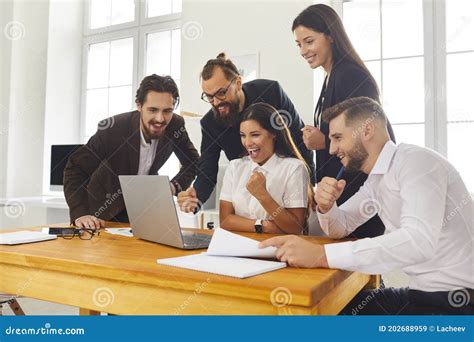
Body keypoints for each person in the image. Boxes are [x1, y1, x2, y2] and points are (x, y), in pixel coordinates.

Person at [260, 97, 474, 315]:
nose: (332, 149)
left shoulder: (416, 162)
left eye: (337, 137)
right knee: (328, 308)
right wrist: (327, 207)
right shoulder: (377, 180)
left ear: (367, 130)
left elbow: (418, 241)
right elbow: (341, 226)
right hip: (422, 295)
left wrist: (320, 254)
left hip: (457, 304)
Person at [292, 4, 396, 238]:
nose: (303, 51)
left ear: (330, 35)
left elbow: (370, 132)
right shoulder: (331, 77)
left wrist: (323, 140)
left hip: (358, 193)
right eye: (299, 44)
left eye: (309, 41)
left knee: (358, 267)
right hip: (342, 193)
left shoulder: (348, 74)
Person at [177, 53, 315, 213]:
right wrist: (195, 197)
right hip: (249, 191)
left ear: (238, 82)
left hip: (286, 183)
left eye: (221, 93)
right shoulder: (210, 123)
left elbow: (299, 139)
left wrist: (311, 184)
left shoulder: (270, 92)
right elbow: (207, 171)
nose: (216, 103)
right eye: (209, 97)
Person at [64, 74, 199, 229]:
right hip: (103, 212)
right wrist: (81, 213)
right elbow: (75, 168)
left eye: (167, 111)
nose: (160, 119)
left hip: (144, 211)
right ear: (139, 106)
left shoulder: (175, 125)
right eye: (153, 110)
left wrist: (173, 186)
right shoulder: (112, 129)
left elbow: (193, 162)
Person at [220, 102, 312, 234]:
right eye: (243, 135)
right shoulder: (235, 167)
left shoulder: (294, 168)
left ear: (273, 133)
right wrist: (262, 225)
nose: (247, 142)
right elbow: (225, 221)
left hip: (278, 248)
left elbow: (295, 227)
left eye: (255, 135)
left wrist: (262, 195)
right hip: (239, 246)